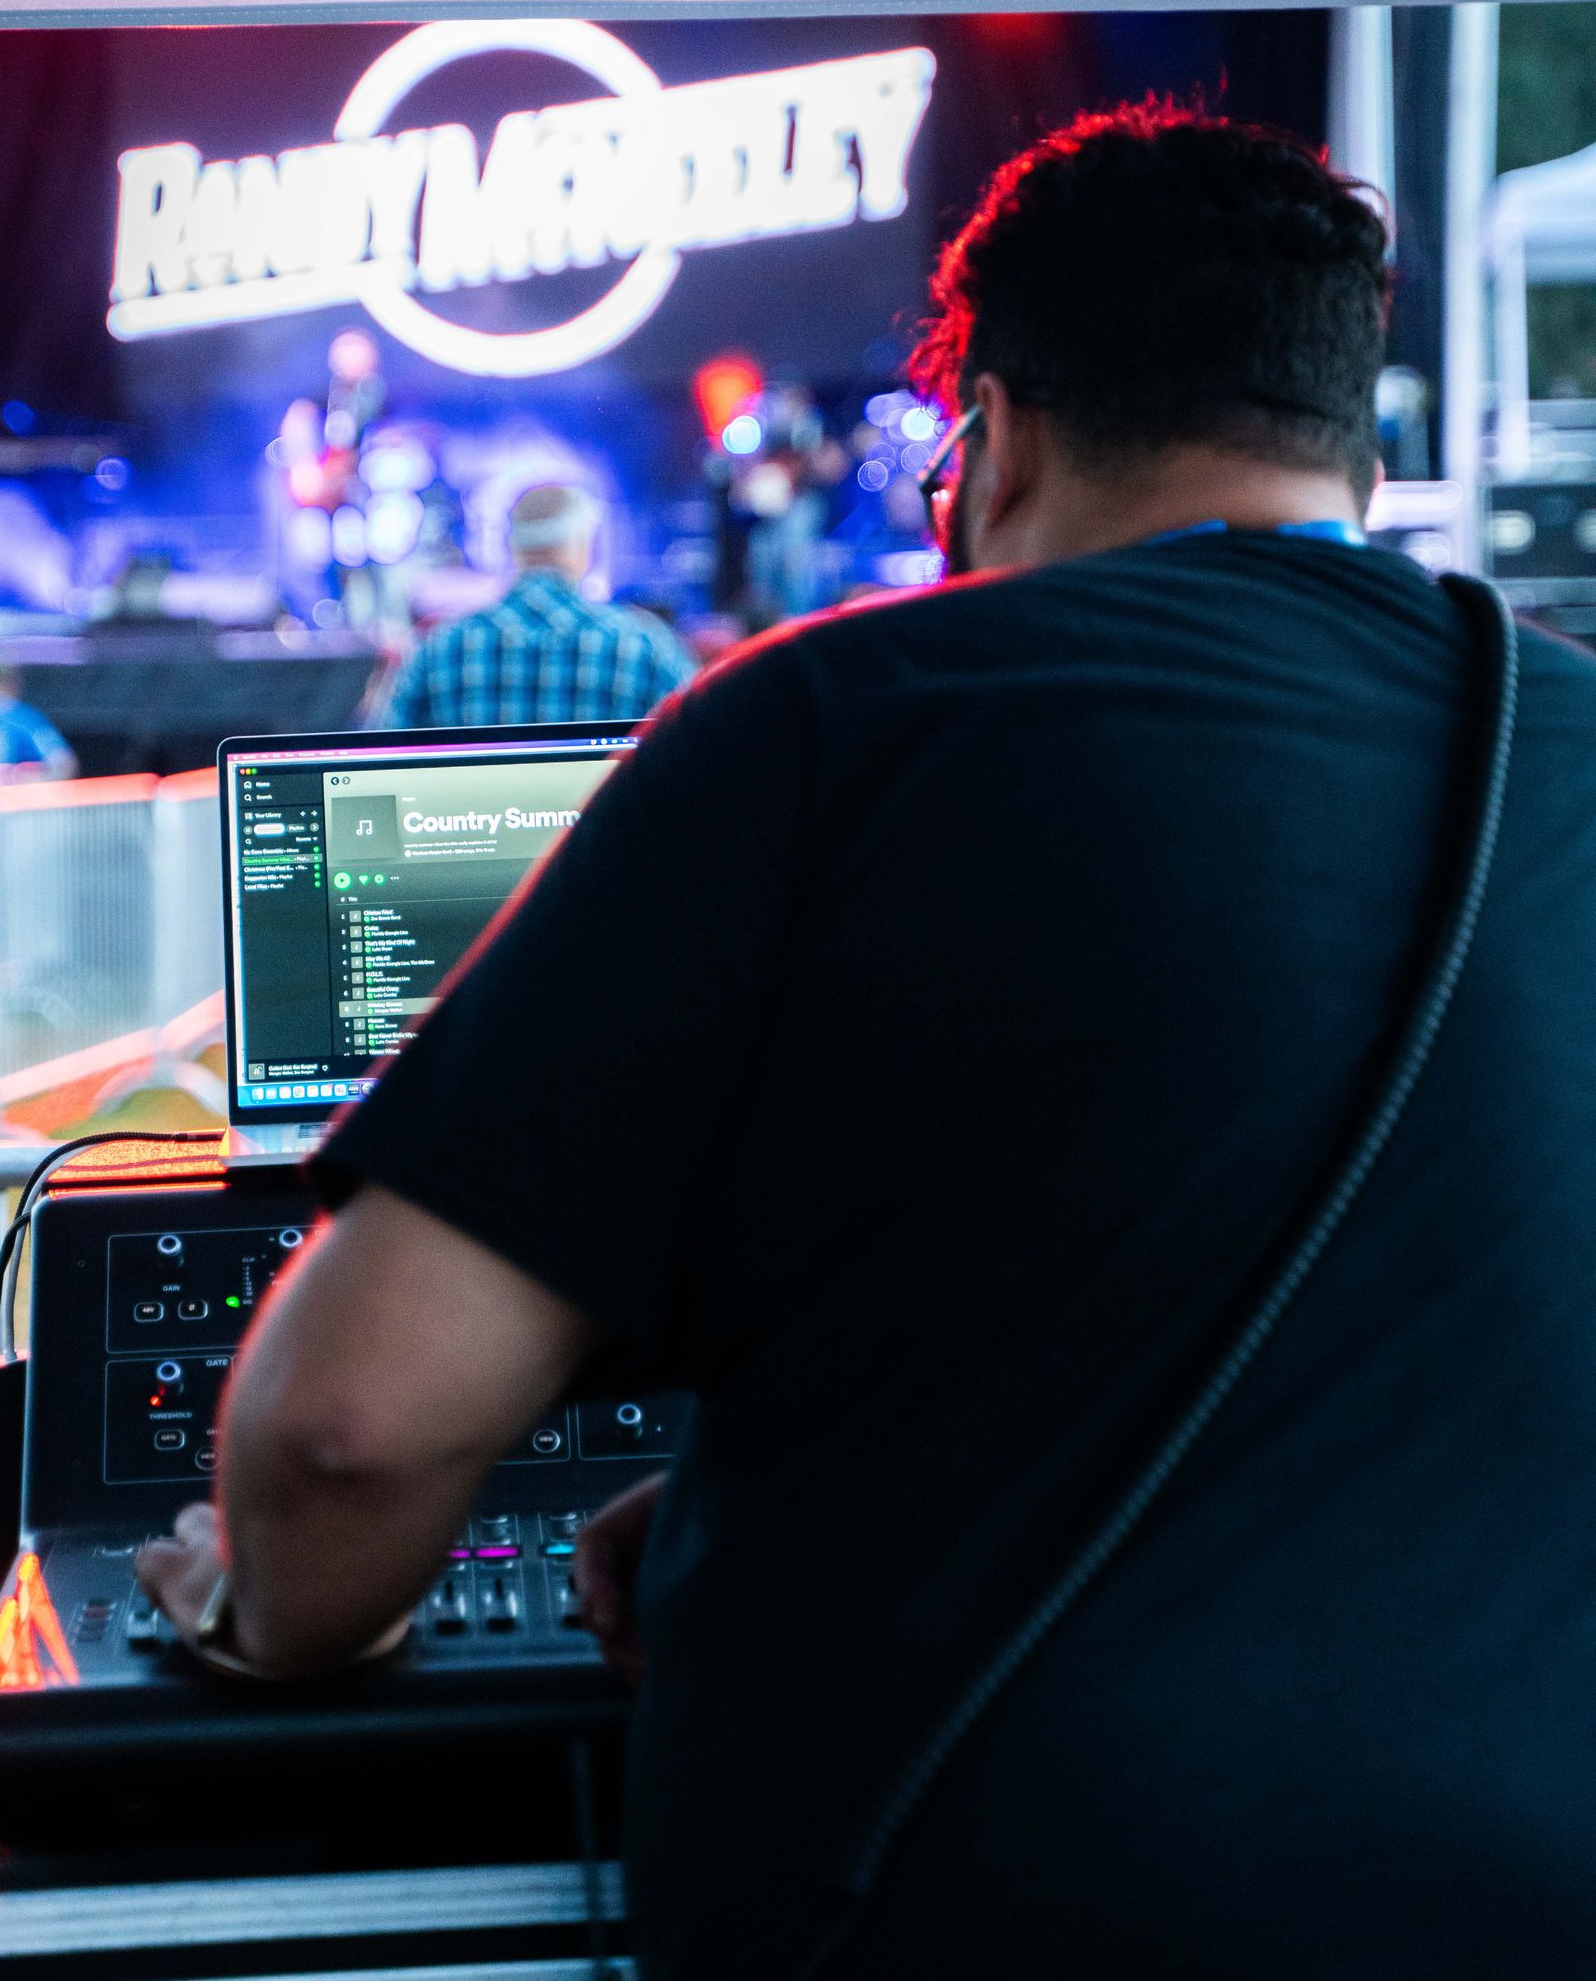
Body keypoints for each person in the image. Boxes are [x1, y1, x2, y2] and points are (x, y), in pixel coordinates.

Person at [140, 108, 1596, 1979]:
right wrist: (854, 1476)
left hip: (970, 1904)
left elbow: (350, 1431)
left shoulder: (822, 724)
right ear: (1358, 450)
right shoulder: (1564, 738)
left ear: (994, 439)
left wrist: (262, 1614)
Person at [379, 483, 696, 728]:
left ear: (514, 547)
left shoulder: (438, 648)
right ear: (584, 547)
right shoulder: (641, 643)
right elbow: (698, 742)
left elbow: (380, 756)